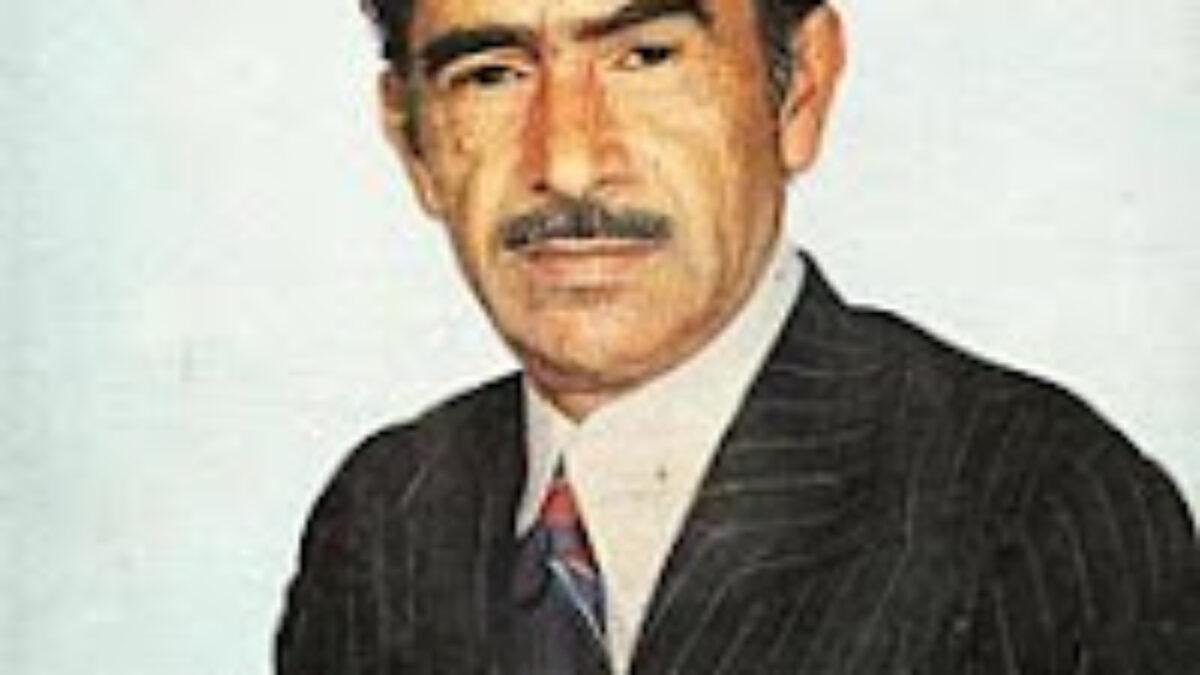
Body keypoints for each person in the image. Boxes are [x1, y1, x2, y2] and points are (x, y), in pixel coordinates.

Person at [276, 0, 1200, 672]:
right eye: (491, 74)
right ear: (412, 141)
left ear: (799, 90)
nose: (568, 162)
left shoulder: (1040, 508)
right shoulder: (383, 518)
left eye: (645, 57)